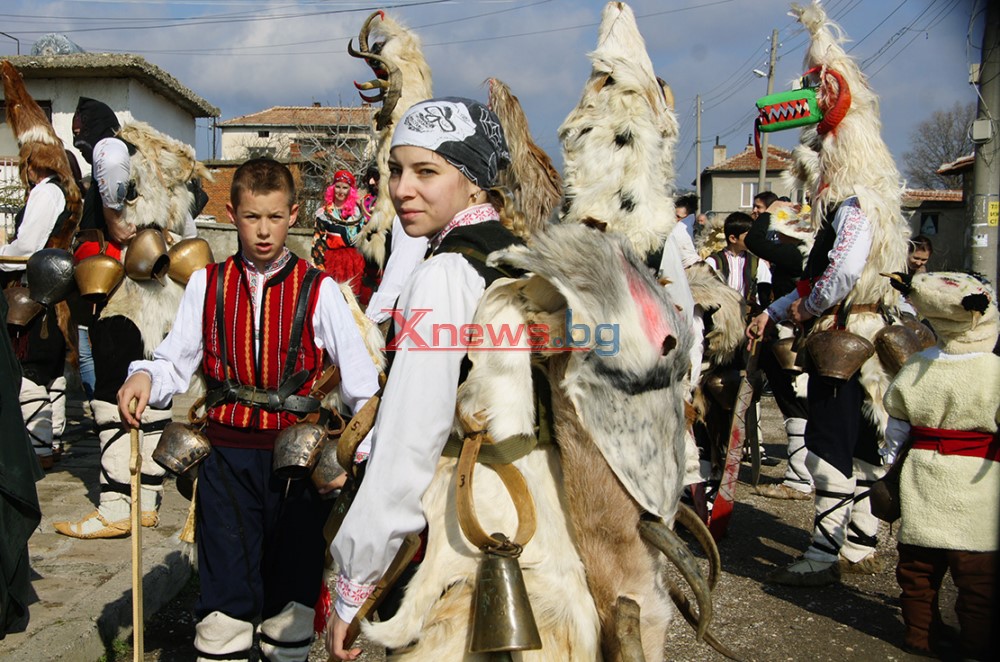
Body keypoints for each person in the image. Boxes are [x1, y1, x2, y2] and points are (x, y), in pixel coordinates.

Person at [118, 157, 380, 662]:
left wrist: (354, 457)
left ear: (294, 214)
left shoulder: (319, 288)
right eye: (252, 217)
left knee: (291, 597)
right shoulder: (206, 284)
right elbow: (177, 359)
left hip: (299, 465)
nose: (264, 231)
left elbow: (361, 387)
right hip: (225, 459)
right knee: (225, 597)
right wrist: (145, 375)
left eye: (276, 217)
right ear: (233, 214)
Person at [326, 97, 523, 661]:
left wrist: (356, 584)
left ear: (475, 183)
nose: (402, 189)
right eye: (394, 169)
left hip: (457, 534)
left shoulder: (445, 274)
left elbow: (412, 438)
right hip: (523, 523)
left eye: (426, 171)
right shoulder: (513, 254)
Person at [748, 1, 911, 586]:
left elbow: (839, 274)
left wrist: (797, 307)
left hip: (845, 335)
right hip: (868, 330)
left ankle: (824, 551)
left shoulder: (855, 203)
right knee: (864, 437)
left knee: (832, 442)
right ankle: (862, 539)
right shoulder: (874, 199)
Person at [54, 97, 201, 539]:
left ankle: (118, 504)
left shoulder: (113, 148)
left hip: (121, 293)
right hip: (164, 293)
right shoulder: (158, 156)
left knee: (110, 393)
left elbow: (109, 159)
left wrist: (115, 213)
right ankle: (148, 500)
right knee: (151, 392)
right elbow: (190, 228)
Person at [882, 271, 998, 660]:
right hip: (978, 480)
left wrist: (890, 461)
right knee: (978, 576)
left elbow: (896, 427)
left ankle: (920, 636)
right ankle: (975, 645)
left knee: (918, 570)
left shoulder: (916, 365)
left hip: (922, 473)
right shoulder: (993, 371)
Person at [744, 200, 815, 499]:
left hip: (795, 334)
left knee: (795, 401)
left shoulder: (796, 253)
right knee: (796, 403)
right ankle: (802, 471)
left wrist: (771, 212)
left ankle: (800, 476)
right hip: (793, 326)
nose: (779, 238)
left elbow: (754, 240)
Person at [312, 170, 369, 303]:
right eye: (338, 186)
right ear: (332, 188)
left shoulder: (358, 212)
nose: (341, 191)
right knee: (334, 302)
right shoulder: (324, 214)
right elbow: (317, 244)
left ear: (350, 190)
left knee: (354, 306)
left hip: (356, 263)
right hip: (333, 263)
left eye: (345, 187)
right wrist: (318, 271)